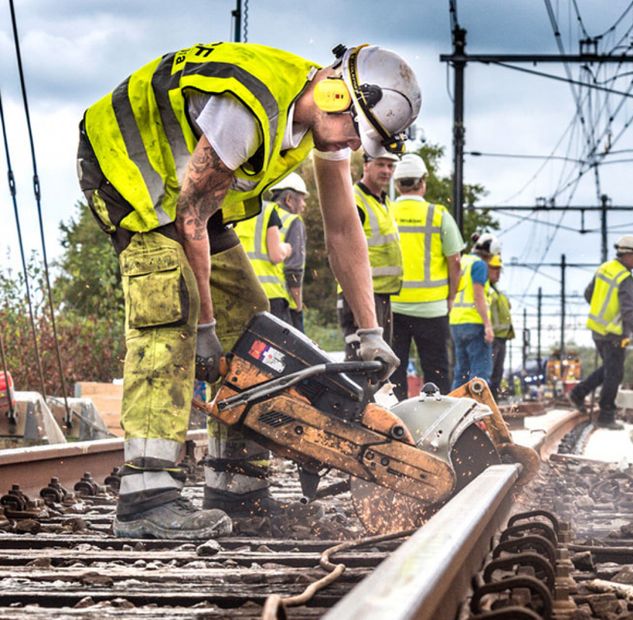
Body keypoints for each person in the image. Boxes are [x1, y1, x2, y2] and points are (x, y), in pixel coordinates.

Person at [77, 42, 415, 539]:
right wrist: (205, 327)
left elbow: (343, 227)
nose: (351, 146)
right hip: (131, 174)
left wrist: (370, 331)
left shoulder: (322, 120)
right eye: (353, 132)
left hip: (189, 189)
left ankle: (237, 487)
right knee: (173, 312)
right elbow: (191, 212)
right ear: (336, 94)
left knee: (250, 319)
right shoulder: (250, 108)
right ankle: (145, 498)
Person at [389, 154, 463, 399]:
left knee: (392, 370)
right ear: (423, 183)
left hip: (392, 305)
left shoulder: (386, 212)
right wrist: (451, 296)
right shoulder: (439, 215)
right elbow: (455, 261)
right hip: (432, 309)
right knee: (437, 370)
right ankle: (438, 422)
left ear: (397, 184)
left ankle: (395, 421)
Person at [569, 235, 633, 429]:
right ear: (626, 254)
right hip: (614, 334)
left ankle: (579, 393)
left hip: (597, 330)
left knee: (609, 369)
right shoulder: (625, 278)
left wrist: (599, 311)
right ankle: (606, 415)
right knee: (614, 373)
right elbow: (628, 311)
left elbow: (588, 294)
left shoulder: (604, 268)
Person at [337, 152, 403, 359]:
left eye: (391, 166)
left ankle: (376, 392)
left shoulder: (385, 202)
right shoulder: (356, 200)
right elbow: (343, 244)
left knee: (380, 360)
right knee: (362, 360)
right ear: (366, 165)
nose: (386, 171)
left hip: (382, 292)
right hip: (361, 291)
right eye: (381, 164)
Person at [234, 178, 296, 324]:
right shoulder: (267, 211)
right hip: (270, 294)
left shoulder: (229, 209)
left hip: (239, 290)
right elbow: (276, 255)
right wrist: (287, 248)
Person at [450, 234, 500, 388]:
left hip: (456, 322)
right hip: (474, 323)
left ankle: (454, 409)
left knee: (461, 373)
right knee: (480, 374)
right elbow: (478, 296)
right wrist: (488, 325)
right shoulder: (479, 265)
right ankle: (476, 409)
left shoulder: (463, 261)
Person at [271, 173, 309, 332]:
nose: (304, 205)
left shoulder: (259, 216)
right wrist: (298, 303)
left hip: (256, 297)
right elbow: (294, 269)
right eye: (302, 199)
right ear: (288, 199)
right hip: (283, 302)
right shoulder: (293, 221)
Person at [486, 254, 515, 396]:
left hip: (500, 339)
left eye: (499, 269)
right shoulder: (487, 290)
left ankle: (493, 408)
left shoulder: (496, 291)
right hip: (491, 338)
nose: (497, 273)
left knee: (496, 376)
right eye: (494, 269)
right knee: (488, 376)